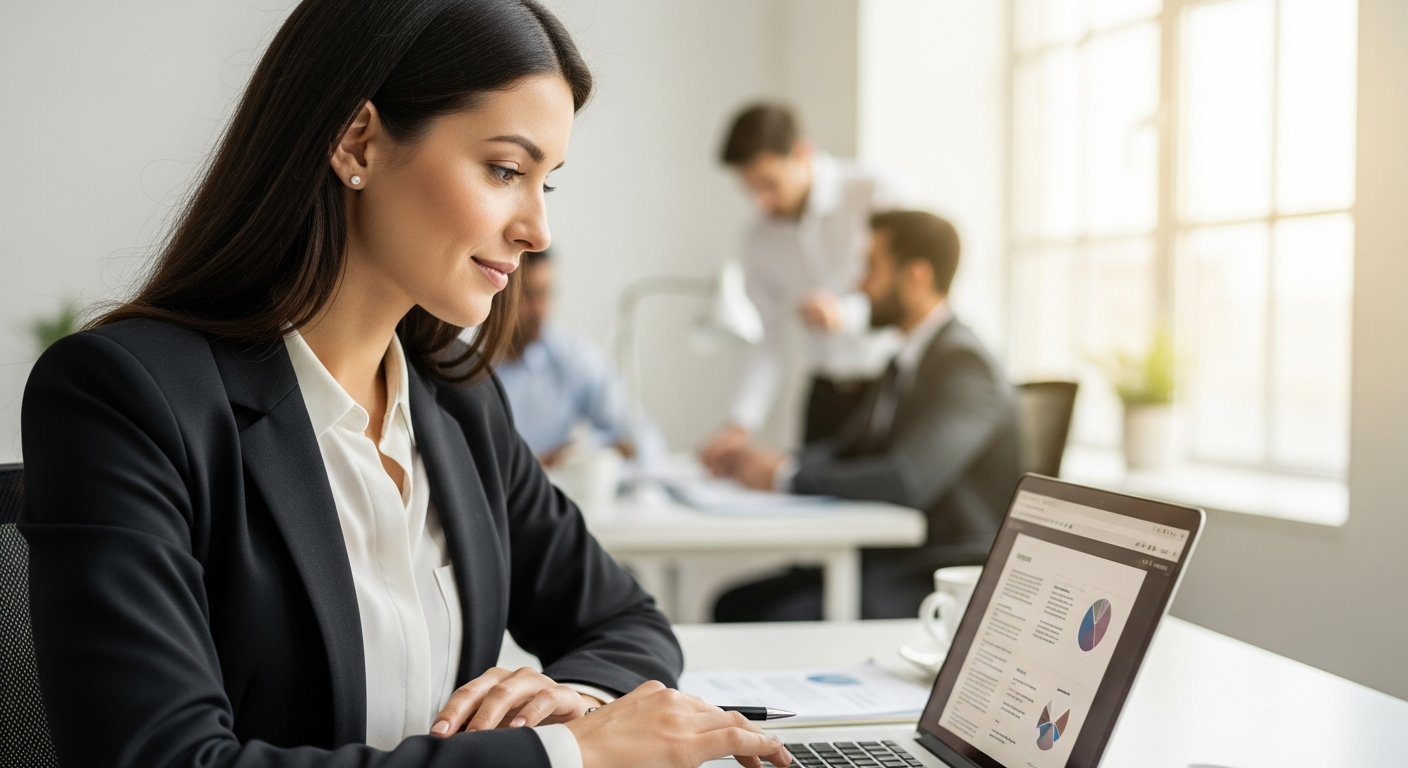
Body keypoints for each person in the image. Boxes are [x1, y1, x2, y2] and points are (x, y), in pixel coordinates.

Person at [17, 2, 792, 767]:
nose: (537, 229)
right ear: (359, 141)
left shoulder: (456, 404)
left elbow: (624, 619)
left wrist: (579, 700)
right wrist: (559, 756)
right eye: (505, 170)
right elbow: (164, 757)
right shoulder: (126, 398)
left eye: (545, 184)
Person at [709, 211, 1022, 621]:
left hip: (936, 572)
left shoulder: (965, 364)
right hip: (889, 560)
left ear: (916, 277)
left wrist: (785, 476)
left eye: (872, 267)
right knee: (733, 603)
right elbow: (851, 449)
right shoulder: (904, 360)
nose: (858, 285)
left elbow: (906, 479)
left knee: (767, 614)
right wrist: (763, 463)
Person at [699, 103, 905, 470]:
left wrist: (845, 315)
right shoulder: (757, 238)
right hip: (823, 397)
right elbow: (766, 340)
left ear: (801, 153)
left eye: (769, 184)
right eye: (750, 190)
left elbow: (911, 291)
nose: (762, 201)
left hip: (891, 390)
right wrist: (740, 423)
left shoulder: (876, 193)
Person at [496, 248, 665, 469]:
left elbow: (645, 441)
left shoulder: (573, 359)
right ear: (497, 294)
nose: (541, 309)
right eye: (527, 295)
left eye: (546, 293)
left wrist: (577, 454)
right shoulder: (463, 368)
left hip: (553, 493)